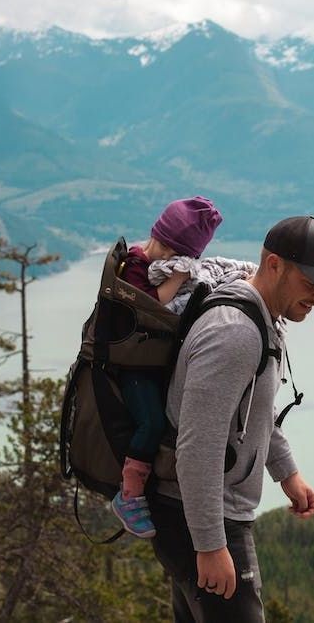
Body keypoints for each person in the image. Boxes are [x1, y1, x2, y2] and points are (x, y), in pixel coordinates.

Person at [149, 215, 314, 621]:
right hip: (203, 518)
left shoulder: (261, 318)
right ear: (274, 264)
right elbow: (198, 446)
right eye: (311, 281)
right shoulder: (236, 332)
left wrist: (286, 471)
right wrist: (209, 545)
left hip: (192, 510)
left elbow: (248, 412)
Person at [112, 196, 223, 538]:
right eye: (178, 256)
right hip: (132, 365)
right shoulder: (134, 263)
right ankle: (128, 496)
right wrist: (177, 277)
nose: (180, 263)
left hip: (148, 360)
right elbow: (152, 305)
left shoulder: (150, 260)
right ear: (164, 242)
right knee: (151, 422)